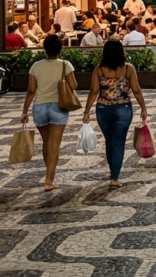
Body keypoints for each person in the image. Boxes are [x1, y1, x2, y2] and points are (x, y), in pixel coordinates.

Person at [82, 41, 148, 188]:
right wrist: (143, 108)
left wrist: (86, 111)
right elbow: (136, 89)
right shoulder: (128, 69)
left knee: (109, 141)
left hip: (103, 109)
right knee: (119, 142)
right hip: (123, 109)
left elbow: (93, 91)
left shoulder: (99, 70)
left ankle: (114, 171)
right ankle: (114, 177)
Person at [21, 34, 77, 191]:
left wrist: (24, 111)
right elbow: (73, 85)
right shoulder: (65, 64)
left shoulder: (35, 66)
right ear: (60, 49)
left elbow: (31, 90)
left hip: (39, 106)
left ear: (44, 49)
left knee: (47, 142)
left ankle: (49, 174)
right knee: (54, 144)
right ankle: (49, 180)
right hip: (58, 106)